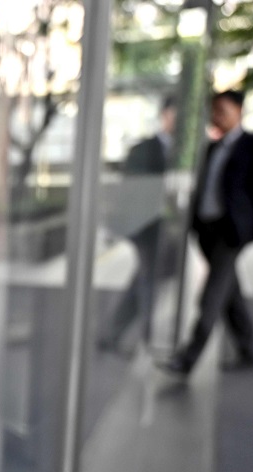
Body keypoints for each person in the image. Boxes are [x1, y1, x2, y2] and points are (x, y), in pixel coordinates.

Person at [159, 89, 253, 376]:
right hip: (206, 231)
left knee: (211, 296)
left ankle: (187, 360)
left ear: (239, 112)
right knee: (230, 293)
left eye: (222, 111)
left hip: (230, 233)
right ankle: (249, 350)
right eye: (214, 111)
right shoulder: (212, 147)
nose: (216, 117)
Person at [98, 96, 176, 352]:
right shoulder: (143, 149)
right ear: (165, 114)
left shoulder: (184, 151)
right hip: (147, 229)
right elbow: (128, 192)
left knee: (144, 280)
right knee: (148, 281)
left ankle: (112, 334)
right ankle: (147, 339)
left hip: (169, 229)